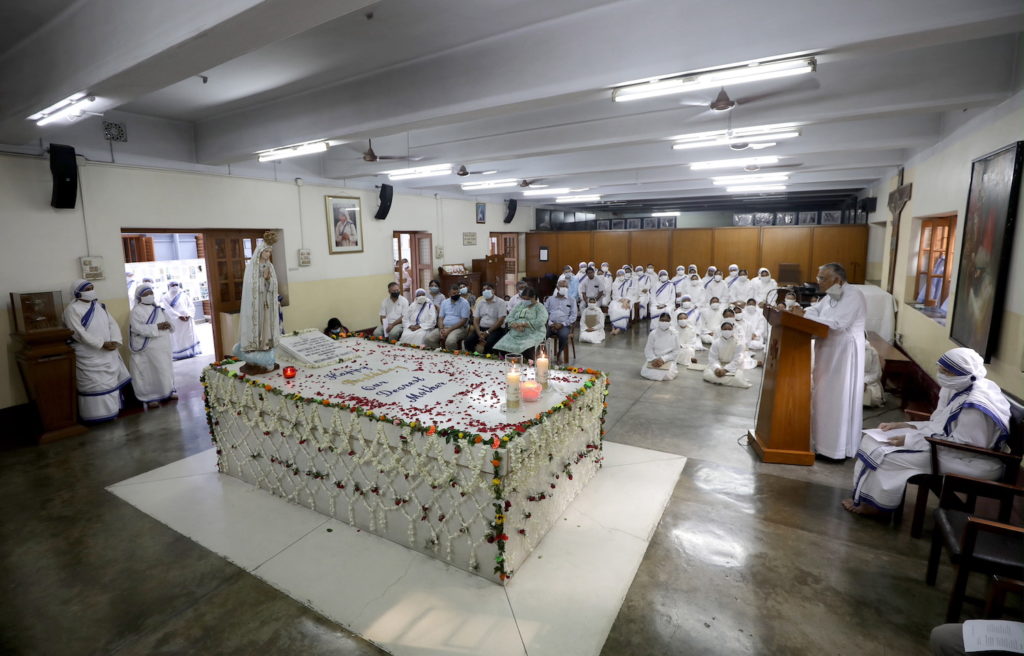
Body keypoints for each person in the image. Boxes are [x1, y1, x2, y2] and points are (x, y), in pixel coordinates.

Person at [843, 347, 1011, 515]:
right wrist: (905, 426)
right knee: (871, 441)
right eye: (940, 369)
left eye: (946, 372)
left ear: (962, 373)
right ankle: (865, 498)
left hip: (970, 460)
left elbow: (964, 444)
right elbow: (939, 423)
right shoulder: (959, 386)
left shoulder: (975, 406)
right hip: (947, 447)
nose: (940, 374)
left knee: (888, 456)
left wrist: (908, 441)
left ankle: (877, 506)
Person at [789, 263, 867, 460]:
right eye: (819, 277)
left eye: (823, 278)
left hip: (843, 353)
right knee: (823, 397)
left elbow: (839, 324)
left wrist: (805, 316)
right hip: (827, 350)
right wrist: (805, 314)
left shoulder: (853, 295)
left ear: (837, 280)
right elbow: (816, 311)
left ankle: (836, 449)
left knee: (837, 398)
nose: (818, 281)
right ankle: (821, 444)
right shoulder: (833, 294)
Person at [63, 279, 131, 422]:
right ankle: (95, 416)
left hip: (108, 352)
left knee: (111, 384)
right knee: (95, 384)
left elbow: (112, 324)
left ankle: (112, 412)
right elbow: (78, 333)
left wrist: (115, 341)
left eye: (92, 288)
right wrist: (101, 344)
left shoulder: (100, 306)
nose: (91, 291)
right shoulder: (72, 309)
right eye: (87, 289)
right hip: (89, 355)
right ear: (77, 292)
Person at [235, 233, 282, 373]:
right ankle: (254, 354)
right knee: (257, 325)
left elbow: (274, 284)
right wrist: (263, 279)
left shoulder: (270, 266)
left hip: (267, 303)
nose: (268, 254)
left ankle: (266, 347)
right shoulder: (252, 268)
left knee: (266, 325)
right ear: (260, 252)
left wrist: (268, 280)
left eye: (269, 252)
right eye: (266, 251)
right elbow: (251, 287)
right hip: (255, 306)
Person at [127, 283, 176, 409]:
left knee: (165, 368)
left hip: (164, 345)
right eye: (145, 294)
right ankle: (151, 397)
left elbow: (171, 323)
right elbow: (137, 329)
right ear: (139, 297)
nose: (149, 296)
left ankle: (168, 391)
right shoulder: (136, 311)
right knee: (152, 371)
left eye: (150, 293)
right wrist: (157, 327)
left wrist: (168, 325)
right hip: (149, 347)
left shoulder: (159, 309)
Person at [493, 286, 548, 359]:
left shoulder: (539, 307)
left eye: (527, 299)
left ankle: (527, 363)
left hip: (533, 333)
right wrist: (514, 324)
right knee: (501, 345)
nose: (525, 301)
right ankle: (510, 363)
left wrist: (523, 324)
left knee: (526, 347)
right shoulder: (520, 305)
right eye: (524, 298)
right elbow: (509, 317)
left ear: (534, 297)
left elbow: (541, 320)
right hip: (516, 331)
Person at [702, 321, 752, 388]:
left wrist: (725, 370)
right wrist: (717, 369)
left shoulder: (739, 343)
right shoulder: (716, 342)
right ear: (721, 330)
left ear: (733, 330)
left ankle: (719, 380)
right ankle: (726, 380)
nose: (727, 331)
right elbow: (713, 358)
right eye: (725, 329)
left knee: (737, 378)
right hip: (719, 366)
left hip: (733, 367)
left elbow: (737, 360)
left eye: (729, 329)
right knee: (707, 375)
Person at [161, 280, 201, 360]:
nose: (174, 286)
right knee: (178, 339)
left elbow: (191, 306)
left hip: (187, 320)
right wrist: (179, 316)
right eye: (172, 285)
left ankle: (190, 353)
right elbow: (167, 309)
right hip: (176, 321)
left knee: (189, 337)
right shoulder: (165, 297)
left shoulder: (184, 295)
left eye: (176, 284)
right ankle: (180, 355)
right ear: (169, 286)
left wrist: (189, 314)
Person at [465, 283, 507, 353]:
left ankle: (487, 360)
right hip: (481, 328)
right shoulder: (480, 302)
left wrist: (487, 332)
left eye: (488, 289)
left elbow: (500, 321)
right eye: (484, 289)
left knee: (489, 344)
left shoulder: (501, 302)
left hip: (495, 329)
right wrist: (478, 332)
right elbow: (476, 320)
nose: (485, 291)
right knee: (468, 341)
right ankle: (475, 356)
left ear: (493, 291)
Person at [640, 312, 680, 381]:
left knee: (667, 375)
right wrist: (654, 359)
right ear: (659, 321)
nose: (664, 322)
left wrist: (663, 359)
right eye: (662, 320)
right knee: (646, 372)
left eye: (666, 320)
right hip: (653, 359)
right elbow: (648, 349)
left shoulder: (675, 333)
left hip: (668, 359)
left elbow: (676, 351)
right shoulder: (653, 333)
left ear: (670, 321)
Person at [545, 278, 578, 355]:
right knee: (542, 335)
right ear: (557, 288)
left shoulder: (572, 300)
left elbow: (573, 315)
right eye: (562, 286)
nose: (564, 288)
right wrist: (550, 323)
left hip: (564, 325)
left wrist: (562, 324)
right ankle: (544, 354)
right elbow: (545, 313)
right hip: (550, 324)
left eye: (566, 287)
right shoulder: (550, 299)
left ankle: (559, 354)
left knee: (563, 336)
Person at [438, 284, 471, 349]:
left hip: (459, 328)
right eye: (454, 293)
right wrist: (441, 329)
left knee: (450, 341)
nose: (456, 294)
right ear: (449, 294)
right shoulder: (444, 302)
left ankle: (453, 358)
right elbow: (440, 318)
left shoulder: (464, 303)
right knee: (429, 339)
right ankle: (439, 355)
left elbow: (463, 321)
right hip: (444, 327)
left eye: (458, 293)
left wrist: (449, 330)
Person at [741, 297, 767, 366]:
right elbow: (740, 326)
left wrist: (755, 334)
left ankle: (746, 346)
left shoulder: (760, 315)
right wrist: (746, 335)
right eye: (749, 304)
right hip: (744, 335)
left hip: (755, 337)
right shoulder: (743, 313)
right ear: (747, 305)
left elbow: (761, 328)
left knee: (756, 344)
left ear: (755, 305)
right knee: (742, 342)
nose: (751, 306)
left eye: (753, 304)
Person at [609, 268, 635, 334]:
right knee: (614, 309)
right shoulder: (614, 284)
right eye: (619, 275)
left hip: (628, 300)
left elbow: (630, 293)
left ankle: (618, 328)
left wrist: (626, 302)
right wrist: (623, 301)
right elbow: (615, 295)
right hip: (617, 300)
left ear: (624, 274)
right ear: (617, 276)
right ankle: (613, 328)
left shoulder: (629, 282)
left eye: (622, 274)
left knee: (624, 309)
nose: (621, 276)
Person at [863, 338, 885, 407]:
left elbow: (876, 373)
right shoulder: (847, 349)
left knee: (872, 399)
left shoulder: (872, 351)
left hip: (868, 383)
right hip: (850, 382)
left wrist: (865, 382)